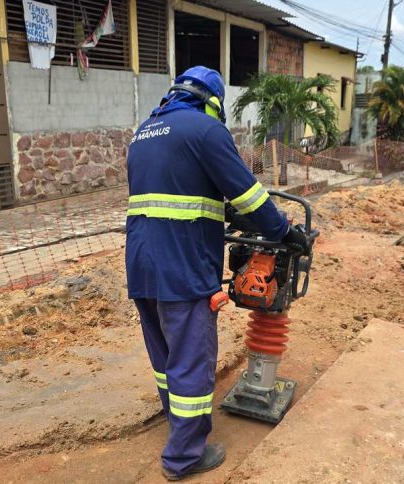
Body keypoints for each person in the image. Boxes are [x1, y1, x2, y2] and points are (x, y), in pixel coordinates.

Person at [124, 66, 308, 481]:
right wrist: (284, 232)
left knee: (165, 356)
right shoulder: (206, 130)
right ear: (211, 101)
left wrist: (219, 210)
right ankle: (184, 457)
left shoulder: (144, 132)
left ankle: (177, 422)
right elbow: (249, 194)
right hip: (183, 266)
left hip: (142, 264)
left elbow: (171, 193)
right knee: (191, 359)